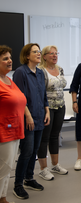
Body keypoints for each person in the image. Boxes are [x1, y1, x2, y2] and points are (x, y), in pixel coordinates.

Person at [12, 43, 50, 200]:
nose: (39, 54)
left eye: (39, 52)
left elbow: (43, 95)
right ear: (27, 55)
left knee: (34, 151)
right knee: (26, 152)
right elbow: (20, 97)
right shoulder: (21, 73)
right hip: (28, 118)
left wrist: (47, 110)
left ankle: (29, 178)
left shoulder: (40, 73)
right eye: (35, 52)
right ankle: (18, 185)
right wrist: (27, 115)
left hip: (40, 116)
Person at [37, 45, 68, 181]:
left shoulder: (59, 69)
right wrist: (45, 109)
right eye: (51, 54)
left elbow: (62, 85)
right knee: (44, 138)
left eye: (56, 53)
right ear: (44, 56)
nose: (55, 56)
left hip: (60, 106)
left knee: (55, 136)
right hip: (47, 108)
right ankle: (43, 169)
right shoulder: (40, 71)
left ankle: (55, 165)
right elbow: (39, 91)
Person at [0, 45, 26, 203]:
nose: (10, 61)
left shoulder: (8, 79)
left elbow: (20, 100)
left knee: (7, 167)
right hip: (4, 130)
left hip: (15, 129)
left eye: (10, 57)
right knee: (3, 167)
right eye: (5, 58)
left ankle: (2, 197)